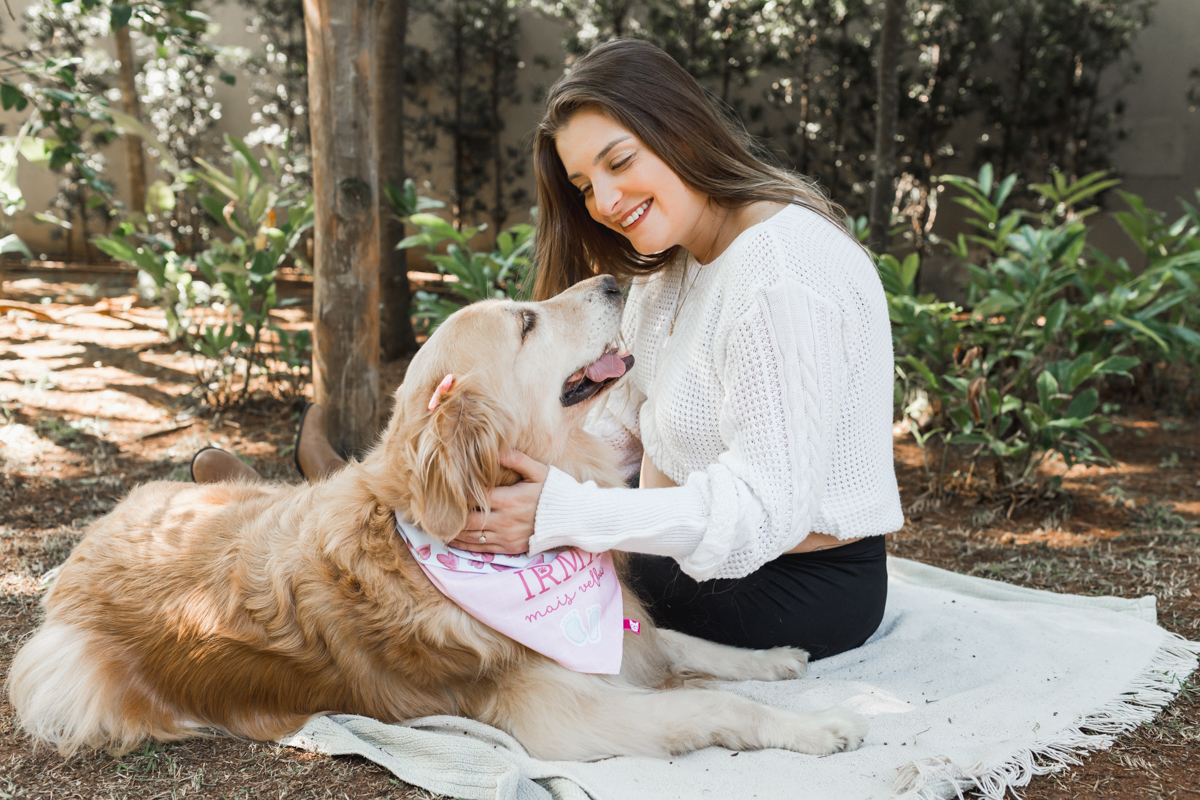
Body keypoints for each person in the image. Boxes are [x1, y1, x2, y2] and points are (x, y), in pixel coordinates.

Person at [195, 38, 903, 661]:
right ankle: (341, 500)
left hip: (789, 585)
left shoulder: (780, 271)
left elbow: (762, 512)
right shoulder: (674, 265)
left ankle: (319, 506)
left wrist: (565, 515)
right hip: (672, 541)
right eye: (584, 184)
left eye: (619, 160)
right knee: (462, 545)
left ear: (682, 129)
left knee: (458, 595)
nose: (605, 200)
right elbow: (617, 431)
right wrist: (471, 450)